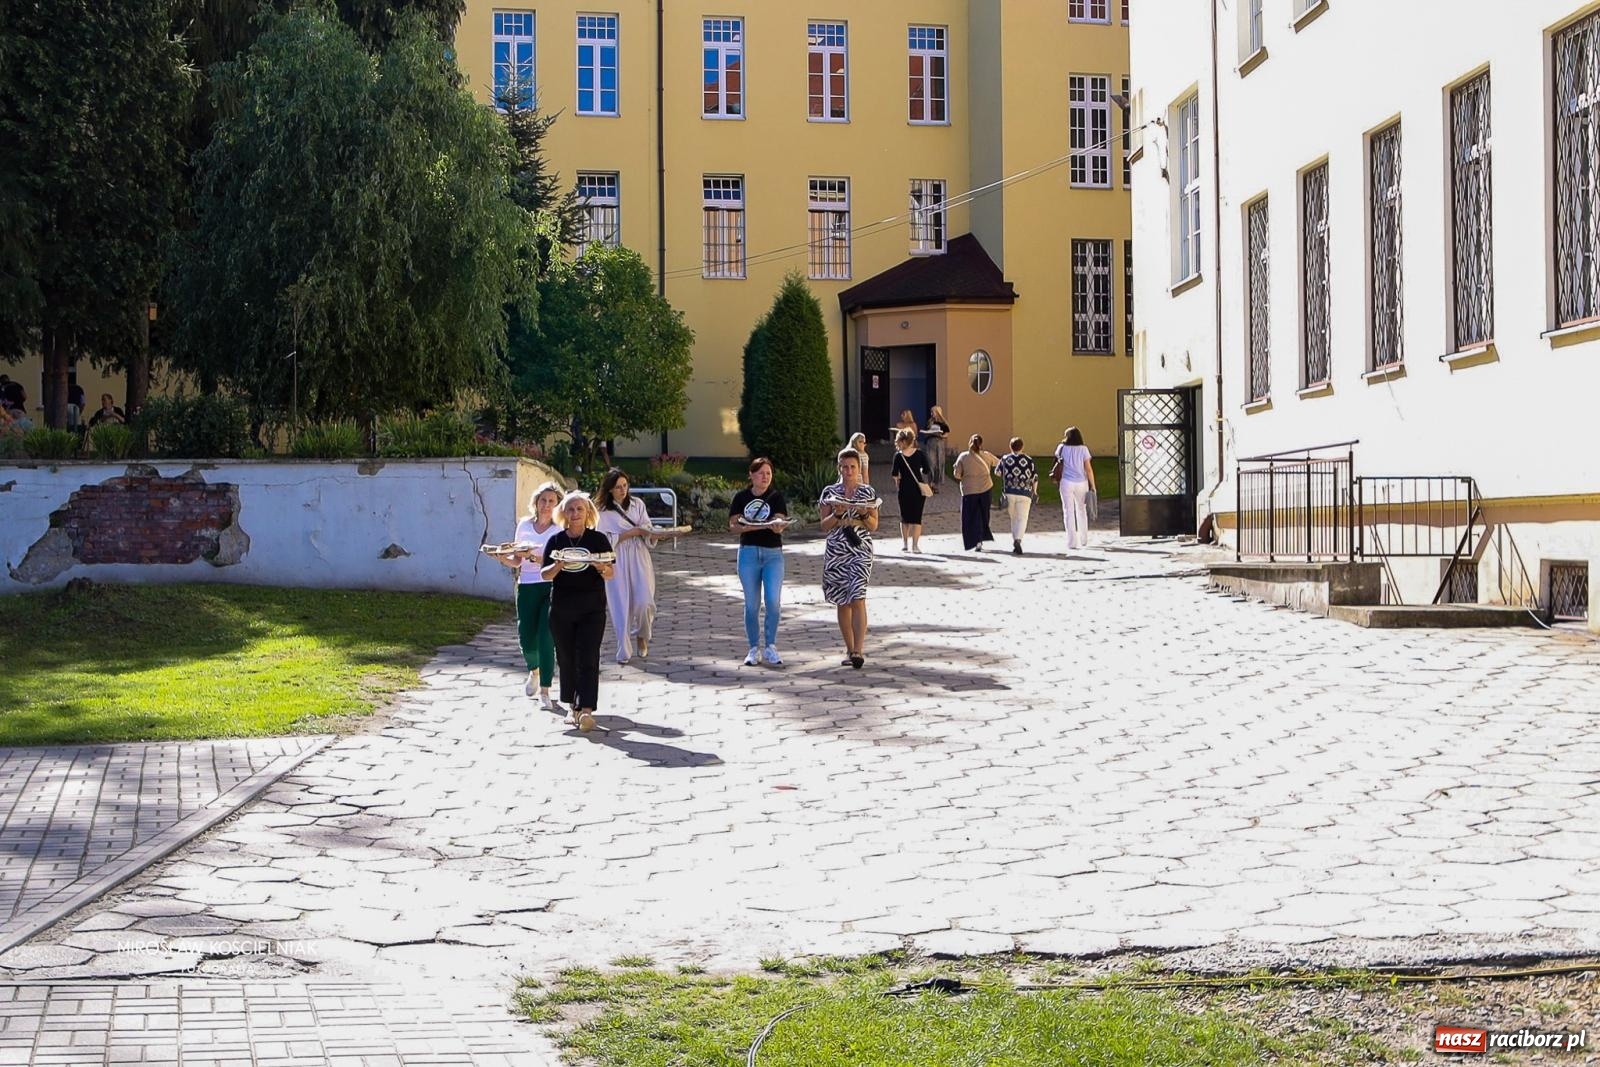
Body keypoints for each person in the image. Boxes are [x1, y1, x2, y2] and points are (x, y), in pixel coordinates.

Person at [541, 491, 616, 732]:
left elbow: (611, 572)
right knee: (566, 658)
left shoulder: (598, 540)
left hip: (592, 607)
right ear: (563, 513)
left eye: (580, 509)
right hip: (562, 608)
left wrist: (600, 566)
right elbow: (545, 574)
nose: (575, 514)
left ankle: (586, 709)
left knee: (589, 656)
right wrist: (559, 564)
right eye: (571, 509)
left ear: (588, 513)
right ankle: (570, 707)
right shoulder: (555, 541)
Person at [493, 482, 564, 711]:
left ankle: (545, 690)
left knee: (546, 637)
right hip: (527, 586)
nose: (546, 505)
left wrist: (534, 557)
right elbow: (516, 560)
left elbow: (557, 563)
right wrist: (501, 557)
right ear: (536, 502)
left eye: (551, 501)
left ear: (558, 505)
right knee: (526, 638)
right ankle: (534, 670)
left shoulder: (559, 531)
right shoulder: (524, 525)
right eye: (543, 500)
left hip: (551, 587)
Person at [820, 447, 880, 669]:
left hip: (860, 547)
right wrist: (837, 512)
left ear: (859, 468)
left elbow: (874, 525)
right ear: (839, 468)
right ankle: (849, 648)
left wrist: (863, 513)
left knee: (858, 595)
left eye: (852, 467)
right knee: (842, 601)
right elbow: (823, 525)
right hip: (837, 548)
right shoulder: (830, 492)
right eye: (845, 467)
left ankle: (858, 650)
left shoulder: (867, 492)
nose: (848, 471)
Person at [595, 467, 659, 664]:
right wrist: (631, 533)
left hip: (639, 554)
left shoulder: (637, 504)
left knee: (644, 602)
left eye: (625, 485)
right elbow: (602, 539)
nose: (623, 490)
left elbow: (646, 528)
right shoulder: (602, 511)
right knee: (619, 604)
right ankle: (623, 649)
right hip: (616, 557)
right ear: (609, 490)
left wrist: (652, 533)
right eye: (618, 487)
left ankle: (642, 634)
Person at [729, 456, 788, 667]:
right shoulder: (741, 497)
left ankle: (771, 645)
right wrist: (750, 527)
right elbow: (734, 525)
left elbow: (780, 521)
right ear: (751, 475)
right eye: (761, 473)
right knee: (751, 604)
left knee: (773, 601)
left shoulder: (776, 497)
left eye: (769, 473)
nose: (765, 477)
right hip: (748, 553)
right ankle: (754, 648)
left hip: (773, 553)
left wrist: (777, 526)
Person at [952, 433, 1001, 552]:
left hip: (969, 490)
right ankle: (980, 539)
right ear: (981, 444)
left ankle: (973, 540)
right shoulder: (987, 455)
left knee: (970, 516)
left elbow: (957, 475)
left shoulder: (963, 456)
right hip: (985, 488)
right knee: (983, 515)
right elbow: (999, 463)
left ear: (969, 442)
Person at [1053, 426, 1098, 551]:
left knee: (1068, 511)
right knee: (1081, 510)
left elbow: (1057, 460)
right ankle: (1084, 539)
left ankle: (1071, 542)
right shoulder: (1084, 449)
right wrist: (1092, 485)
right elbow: (1088, 469)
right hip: (1081, 482)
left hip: (1066, 482)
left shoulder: (1061, 448)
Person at [890, 428, 933, 552]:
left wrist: (898, 481)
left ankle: (905, 544)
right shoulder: (920, 454)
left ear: (903, 441)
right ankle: (915, 546)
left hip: (904, 489)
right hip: (918, 489)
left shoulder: (898, 456)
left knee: (904, 518)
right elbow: (926, 470)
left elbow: (894, 474)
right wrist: (918, 470)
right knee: (916, 518)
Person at [995, 438, 1039, 556]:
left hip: (1009, 492)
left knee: (1013, 518)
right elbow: (1035, 478)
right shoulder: (1029, 460)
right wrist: (1034, 492)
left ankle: (1015, 540)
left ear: (1010, 446)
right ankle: (1018, 540)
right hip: (1025, 492)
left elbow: (997, 473)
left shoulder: (1005, 459)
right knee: (1022, 518)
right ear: (1022, 447)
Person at [923, 405, 951, 488]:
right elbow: (925, 430)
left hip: (939, 443)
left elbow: (947, 433)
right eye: (931, 412)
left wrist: (942, 435)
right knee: (931, 463)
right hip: (930, 443)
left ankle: (936, 484)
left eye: (933, 412)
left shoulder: (943, 423)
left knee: (939, 463)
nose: (932, 414)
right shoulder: (929, 422)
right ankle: (930, 483)